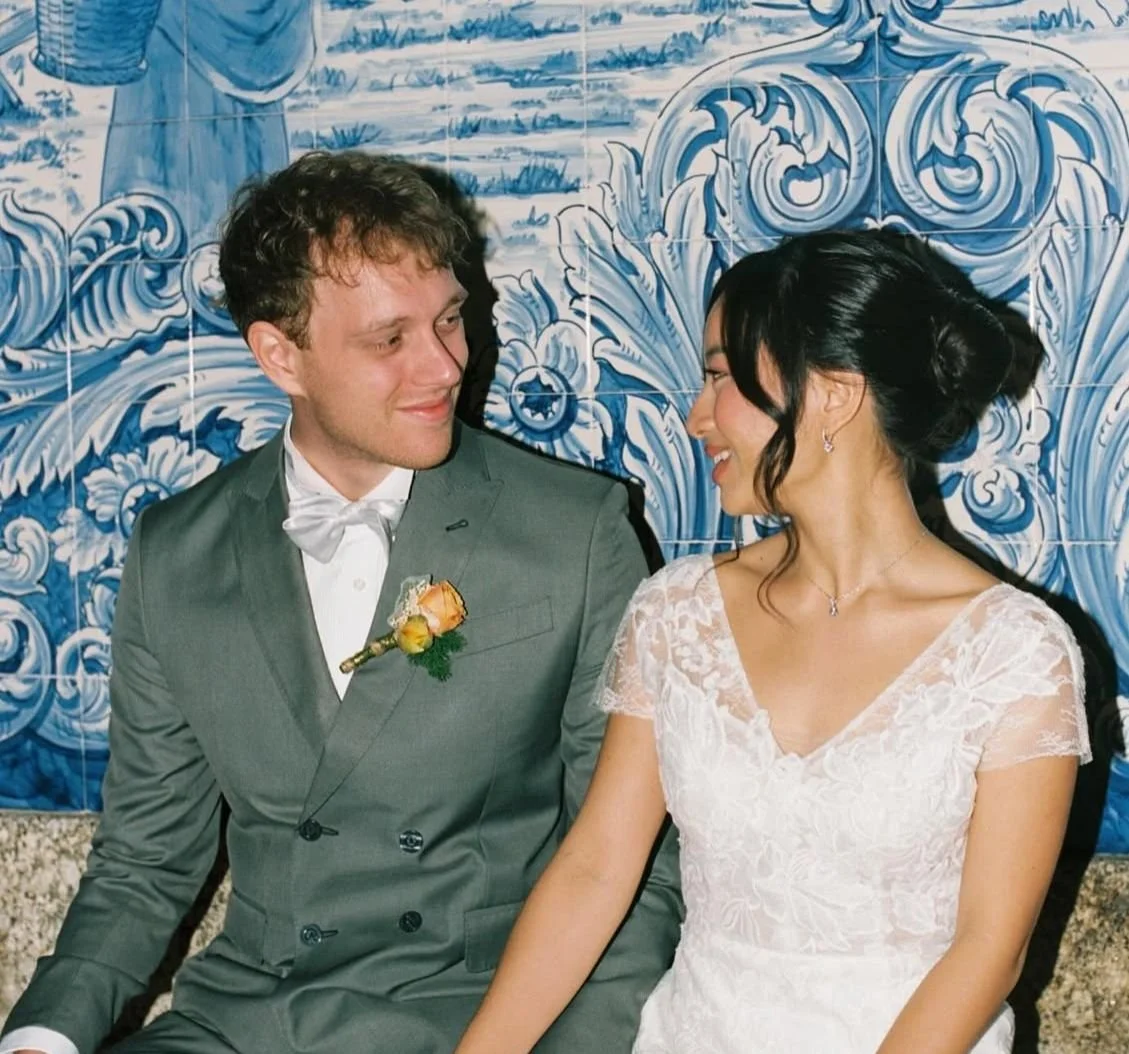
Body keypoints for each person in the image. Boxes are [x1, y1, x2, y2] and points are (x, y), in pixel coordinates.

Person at [1, 150, 681, 1054]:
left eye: (449, 321)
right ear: (280, 354)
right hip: (241, 1026)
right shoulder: (176, 551)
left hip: (475, 1022)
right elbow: (144, 865)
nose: (443, 367)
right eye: (388, 340)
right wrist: (40, 1040)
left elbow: (639, 872)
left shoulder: (576, 530)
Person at [454, 229, 1092, 1054]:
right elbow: (594, 870)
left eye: (719, 376)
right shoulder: (675, 614)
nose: (694, 415)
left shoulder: (1014, 650)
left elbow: (987, 952)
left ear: (830, 392)